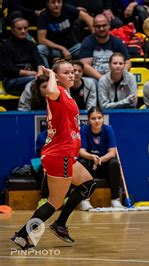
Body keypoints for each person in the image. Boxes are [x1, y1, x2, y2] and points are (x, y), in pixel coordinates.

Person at [11, 60, 96, 249]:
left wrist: (57, 75)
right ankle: (22, 235)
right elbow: (49, 92)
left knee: (88, 185)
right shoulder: (55, 92)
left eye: (73, 72)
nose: (72, 75)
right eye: (66, 73)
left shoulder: (65, 92)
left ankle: (60, 224)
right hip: (60, 155)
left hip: (66, 153)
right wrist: (51, 75)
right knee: (53, 203)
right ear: (57, 77)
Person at [78, 107, 123, 210]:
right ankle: (84, 200)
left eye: (99, 118)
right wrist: (92, 157)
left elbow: (112, 152)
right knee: (82, 162)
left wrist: (100, 159)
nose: (97, 121)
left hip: (103, 165)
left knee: (114, 163)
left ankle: (115, 199)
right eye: (93, 118)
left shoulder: (108, 129)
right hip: (90, 166)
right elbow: (81, 152)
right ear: (89, 120)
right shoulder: (84, 130)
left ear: (103, 118)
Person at [37, 0, 94, 67]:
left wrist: (93, 39)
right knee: (40, 49)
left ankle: (82, 73)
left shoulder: (67, 9)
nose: (56, 5)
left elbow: (89, 19)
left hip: (73, 48)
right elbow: (41, 39)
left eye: (59, 2)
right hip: (54, 50)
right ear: (48, 4)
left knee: (88, 48)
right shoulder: (44, 15)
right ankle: (46, 74)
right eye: (53, 2)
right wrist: (62, 48)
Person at [79, 14, 131, 81]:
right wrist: (102, 79)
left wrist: (119, 76)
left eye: (104, 25)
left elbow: (128, 63)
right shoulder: (87, 41)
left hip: (114, 77)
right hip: (95, 79)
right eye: (98, 26)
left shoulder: (117, 42)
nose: (101, 29)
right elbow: (84, 65)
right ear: (94, 27)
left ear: (109, 26)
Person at [0, 17, 43, 96]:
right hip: (12, 80)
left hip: (32, 76)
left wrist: (40, 74)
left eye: (25, 28)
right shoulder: (5, 46)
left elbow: (38, 61)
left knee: (48, 79)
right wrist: (31, 73)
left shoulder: (31, 44)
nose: (23, 31)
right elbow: (8, 69)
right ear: (12, 30)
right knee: (36, 81)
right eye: (19, 29)